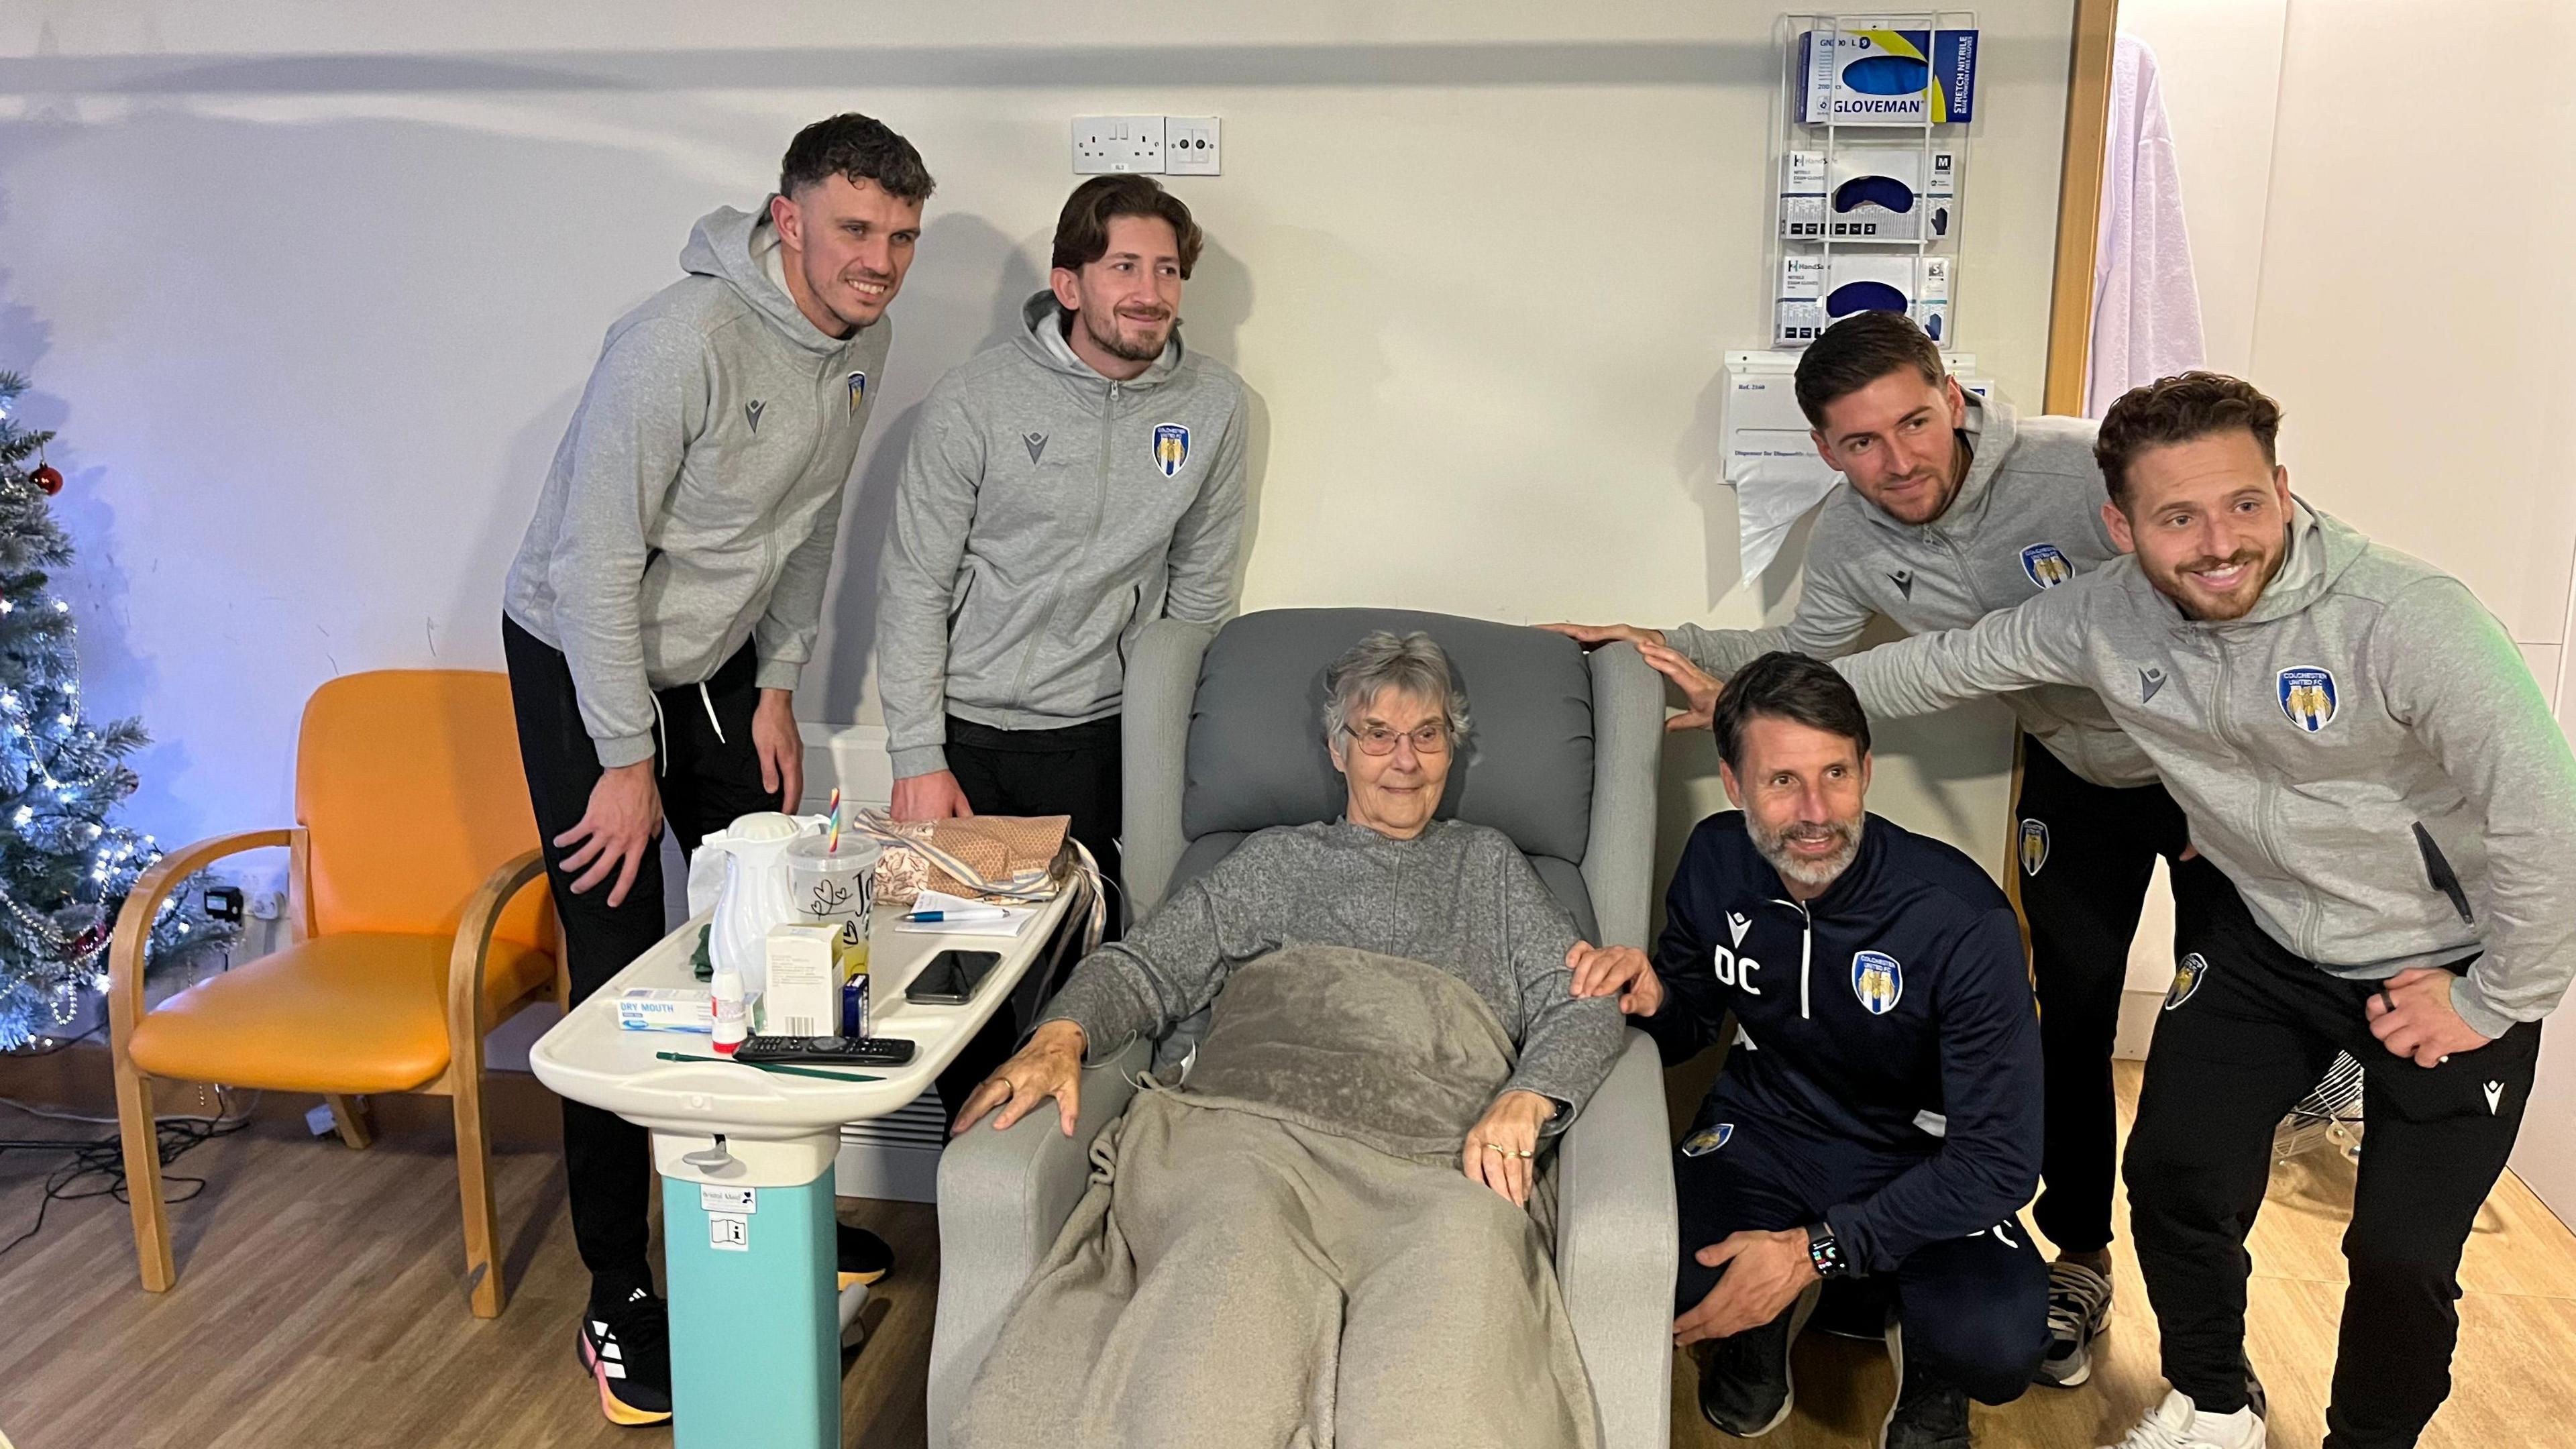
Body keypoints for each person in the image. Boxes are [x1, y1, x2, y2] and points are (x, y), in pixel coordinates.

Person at [1824, 372, 2576, 1449]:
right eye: (2177, 517)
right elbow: (1934, 666)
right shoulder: (2104, 612)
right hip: (2267, 940)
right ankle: (2216, 1403)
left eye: (2243, 505)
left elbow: (2551, 812)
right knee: (2173, 1175)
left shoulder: (2405, 617)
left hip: (2441, 961)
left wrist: (2494, 994)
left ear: (2281, 486)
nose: (2219, 542)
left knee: (2403, 1259)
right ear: (2119, 526)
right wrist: (1735, 683)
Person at [1546, 311, 2168, 1387]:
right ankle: (2080, 1247)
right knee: (2075, 1013)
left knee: (2202, 1065)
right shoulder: (1851, 533)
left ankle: (2126, 1288)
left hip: (2210, 765)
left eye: (1916, 423)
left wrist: (2232, 779)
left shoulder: (2073, 470)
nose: (1899, 460)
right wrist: (1648, 648)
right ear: (1828, 451)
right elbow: (1801, 658)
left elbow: (2214, 577)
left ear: (1954, 399)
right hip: (2078, 769)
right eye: (1862, 443)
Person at [500, 113, 930, 1426]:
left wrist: (781, 686)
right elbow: (592, 567)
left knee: (765, 930)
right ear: (786, 219)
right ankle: (620, 1289)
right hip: (590, 657)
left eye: (902, 238)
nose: (881, 263)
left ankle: (764, 1201)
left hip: (722, 669)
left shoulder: (863, 341)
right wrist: (622, 760)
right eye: (855, 231)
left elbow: (813, 526)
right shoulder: (676, 343)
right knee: (619, 961)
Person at [947, 631, 1627, 1449]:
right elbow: (1147, 967)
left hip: (1438, 1159)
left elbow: (1585, 1003)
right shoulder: (1273, 861)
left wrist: (1528, 1095)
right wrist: (1061, 1031)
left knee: (1463, 1300)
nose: (1404, 759)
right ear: (1339, 749)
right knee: (1223, 1287)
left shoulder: (1492, 868)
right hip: (1251, 1135)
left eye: (1428, 734)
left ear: (1455, 748)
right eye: (1378, 734)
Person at [1574, 651, 2045, 1448]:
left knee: (1995, 1346)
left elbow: (2001, 1164)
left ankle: (1926, 1370)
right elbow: (1689, 1026)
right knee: (1649, 1264)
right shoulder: (1718, 860)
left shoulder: (1962, 917)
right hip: (1768, 1130)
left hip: (1919, 1157)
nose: (1816, 812)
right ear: (1734, 783)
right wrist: (1654, 998)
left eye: (1836, 773)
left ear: (1867, 769)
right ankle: (1760, 1338)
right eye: (1782, 781)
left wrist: (1813, 1251)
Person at [874, 172, 1248, 1116]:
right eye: (1125, 264)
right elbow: (914, 583)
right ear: (1070, 281)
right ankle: (974, 1207)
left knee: (1081, 994)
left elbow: (1201, 594)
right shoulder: (977, 397)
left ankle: (1063, 1199)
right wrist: (918, 755)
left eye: (1167, 270)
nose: (1151, 291)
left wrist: (1168, 749)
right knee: (949, 996)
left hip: (1105, 737)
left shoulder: (1215, 408)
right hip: (965, 742)